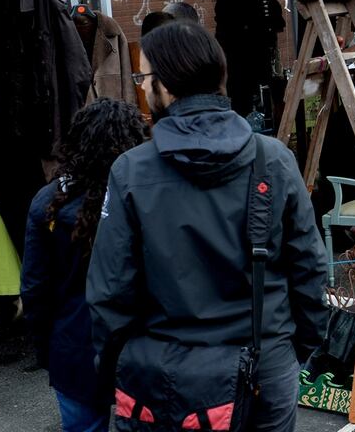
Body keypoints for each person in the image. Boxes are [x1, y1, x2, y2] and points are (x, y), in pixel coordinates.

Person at [87, 22, 328, 432]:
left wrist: (113, 369)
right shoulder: (273, 159)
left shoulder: (130, 171)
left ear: (168, 84)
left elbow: (111, 293)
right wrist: (291, 350)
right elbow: (309, 269)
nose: (142, 88)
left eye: (145, 77)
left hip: (164, 367)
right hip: (263, 363)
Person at [21, 99, 147, 432]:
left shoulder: (47, 203)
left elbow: (34, 290)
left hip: (72, 348)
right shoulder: (144, 198)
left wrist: (46, 350)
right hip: (138, 348)